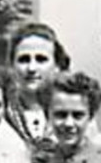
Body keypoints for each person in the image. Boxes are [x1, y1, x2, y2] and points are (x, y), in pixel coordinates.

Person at [4, 21, 69, 155]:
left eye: (41, 59)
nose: (31, 68)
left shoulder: (74, 113)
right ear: (11, 67)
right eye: (24, 60)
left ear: (57, 66)